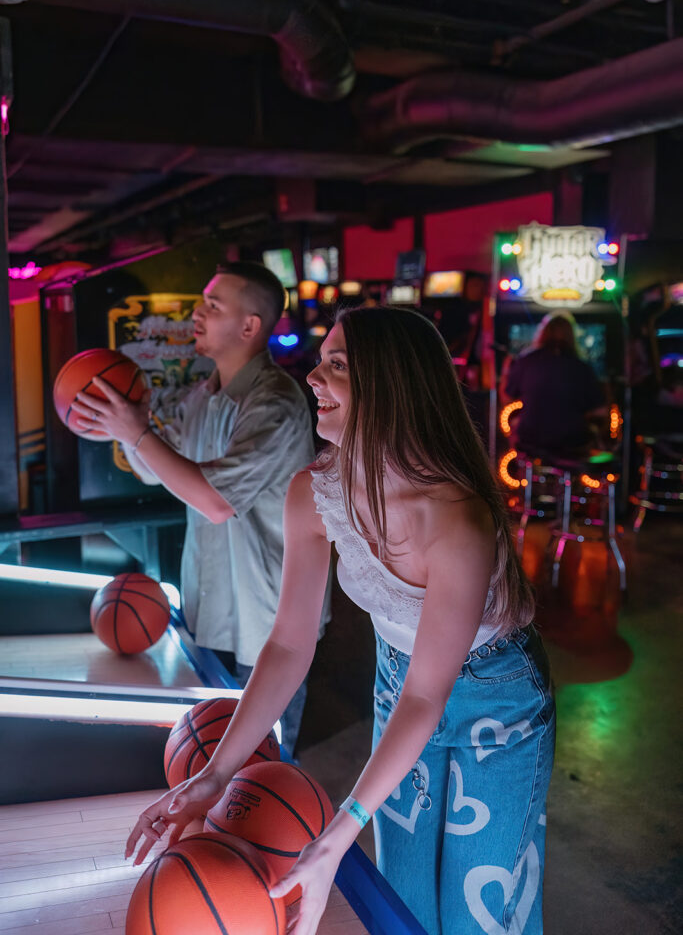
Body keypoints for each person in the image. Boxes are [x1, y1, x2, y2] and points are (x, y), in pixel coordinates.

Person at [123, 306, 555, 935]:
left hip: (498, 700)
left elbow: (429, 694)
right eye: (322, 362)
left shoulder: (457, 519)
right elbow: (290, 644)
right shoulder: (315, 492)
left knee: (480, 913)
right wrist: (216, 773)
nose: (313, 379)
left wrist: (334, 838)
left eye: (338, 366)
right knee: (404, 899)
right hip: (399, 682)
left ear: (391, 385)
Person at [73, 261, 327, 757]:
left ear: (250, 326)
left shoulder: (275, 401)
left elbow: (214, 501)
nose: (197, 313)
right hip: (212, 606)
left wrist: (137, 433)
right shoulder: (201, 396)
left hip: (269, 617)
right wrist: (121, 425)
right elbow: (161, 471)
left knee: (263, 763)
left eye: (213, 306)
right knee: (211, 753)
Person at [504, 310, 607, 457]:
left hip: (531, 437)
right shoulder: (582, 367)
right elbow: (600, 410)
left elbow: (507, 398)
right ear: (572, 335)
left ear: (543, 332)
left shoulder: (526, 361)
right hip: (572, 440)